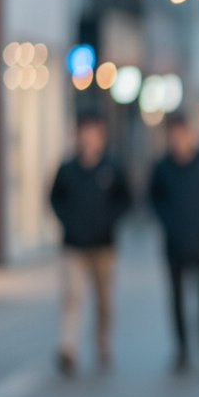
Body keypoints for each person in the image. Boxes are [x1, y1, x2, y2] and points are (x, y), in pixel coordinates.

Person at [50, 112, 131, 375]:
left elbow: (125, 200)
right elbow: (54, 198)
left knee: (104, 300)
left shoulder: (112, 167)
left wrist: (109, 222)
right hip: (73, 244)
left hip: (103, 245)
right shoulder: (68, 168)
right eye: (84, 131)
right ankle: (68, 348)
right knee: (72, 296)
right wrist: (68, 222)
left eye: (93, 132)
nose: (88, 137)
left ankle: (102, 343)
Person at [150, 112, 199, 369]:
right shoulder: (162, 167)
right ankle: (181, 346)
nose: (178, 139)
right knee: (176, 296)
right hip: (174, 241)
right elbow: (154, 199)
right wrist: (167, 220)